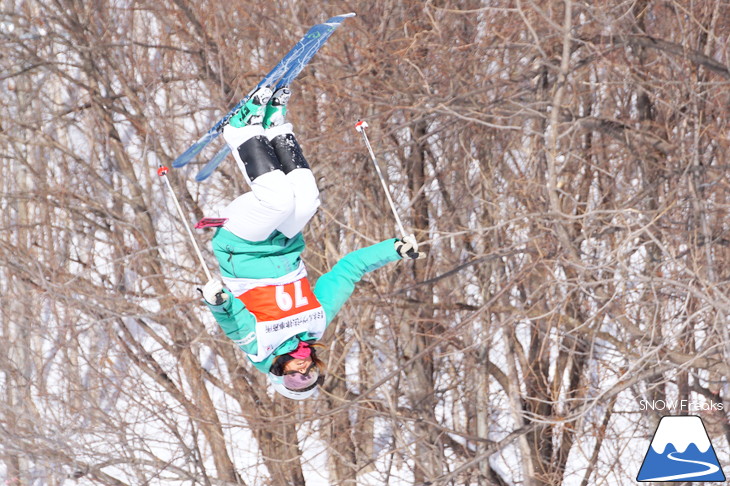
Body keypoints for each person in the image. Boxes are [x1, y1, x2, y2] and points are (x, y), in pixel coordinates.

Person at [200, 86, 424, 400]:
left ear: (278, 374)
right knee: (306, 202)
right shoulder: (316, 323)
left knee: (277, 202)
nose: (303, 370)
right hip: (283, 243)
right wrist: (394, 249)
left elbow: (230, 317)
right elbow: (347, 272)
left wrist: (216, 300)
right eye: (310, 375)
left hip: (240, 245)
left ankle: (241, 130)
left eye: (295, 379)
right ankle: (275, 127)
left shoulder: (258, 344)